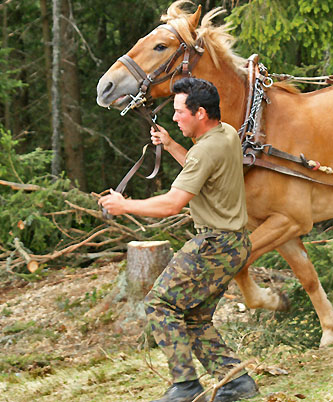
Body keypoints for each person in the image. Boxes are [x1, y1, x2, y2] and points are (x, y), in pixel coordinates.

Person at [99, 77, 258, 402]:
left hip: (215, 245)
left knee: (159, 304)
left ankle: (185, 386)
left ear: (200, 113)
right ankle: (237, 382)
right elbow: (202, 168)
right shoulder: (225, 134)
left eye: (179, 112)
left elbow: (173, 203)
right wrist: (171, 145)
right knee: (195, 317)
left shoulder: (205, 150)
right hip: (236, 244)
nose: (174, 117)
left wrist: (123, 205)